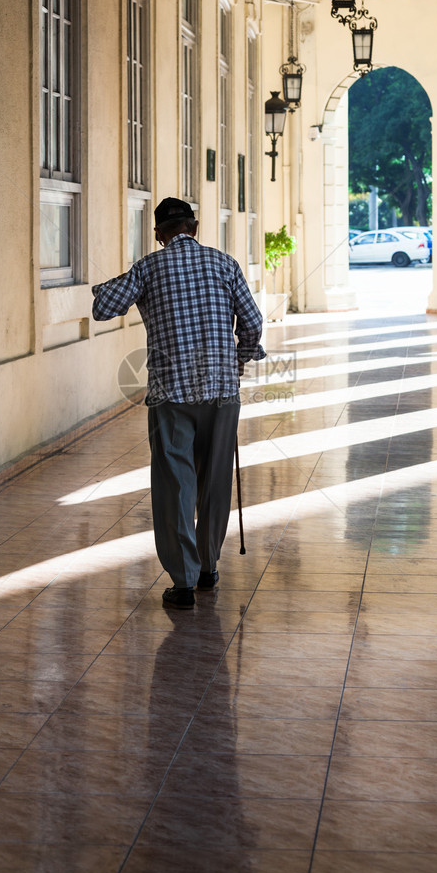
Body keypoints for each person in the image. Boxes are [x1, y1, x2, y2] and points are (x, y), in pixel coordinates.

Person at [92, 197, 265, 610]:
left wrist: (114, 284)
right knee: (215, 480)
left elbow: (102, 309)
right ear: (196, 226)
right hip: (221, 393)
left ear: (158, 235)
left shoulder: (149, 267)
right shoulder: (225, 263)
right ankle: (209, 567)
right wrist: (239, 359)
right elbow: (254, 323)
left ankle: (184, 582)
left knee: (176, 485)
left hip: (171, 394)